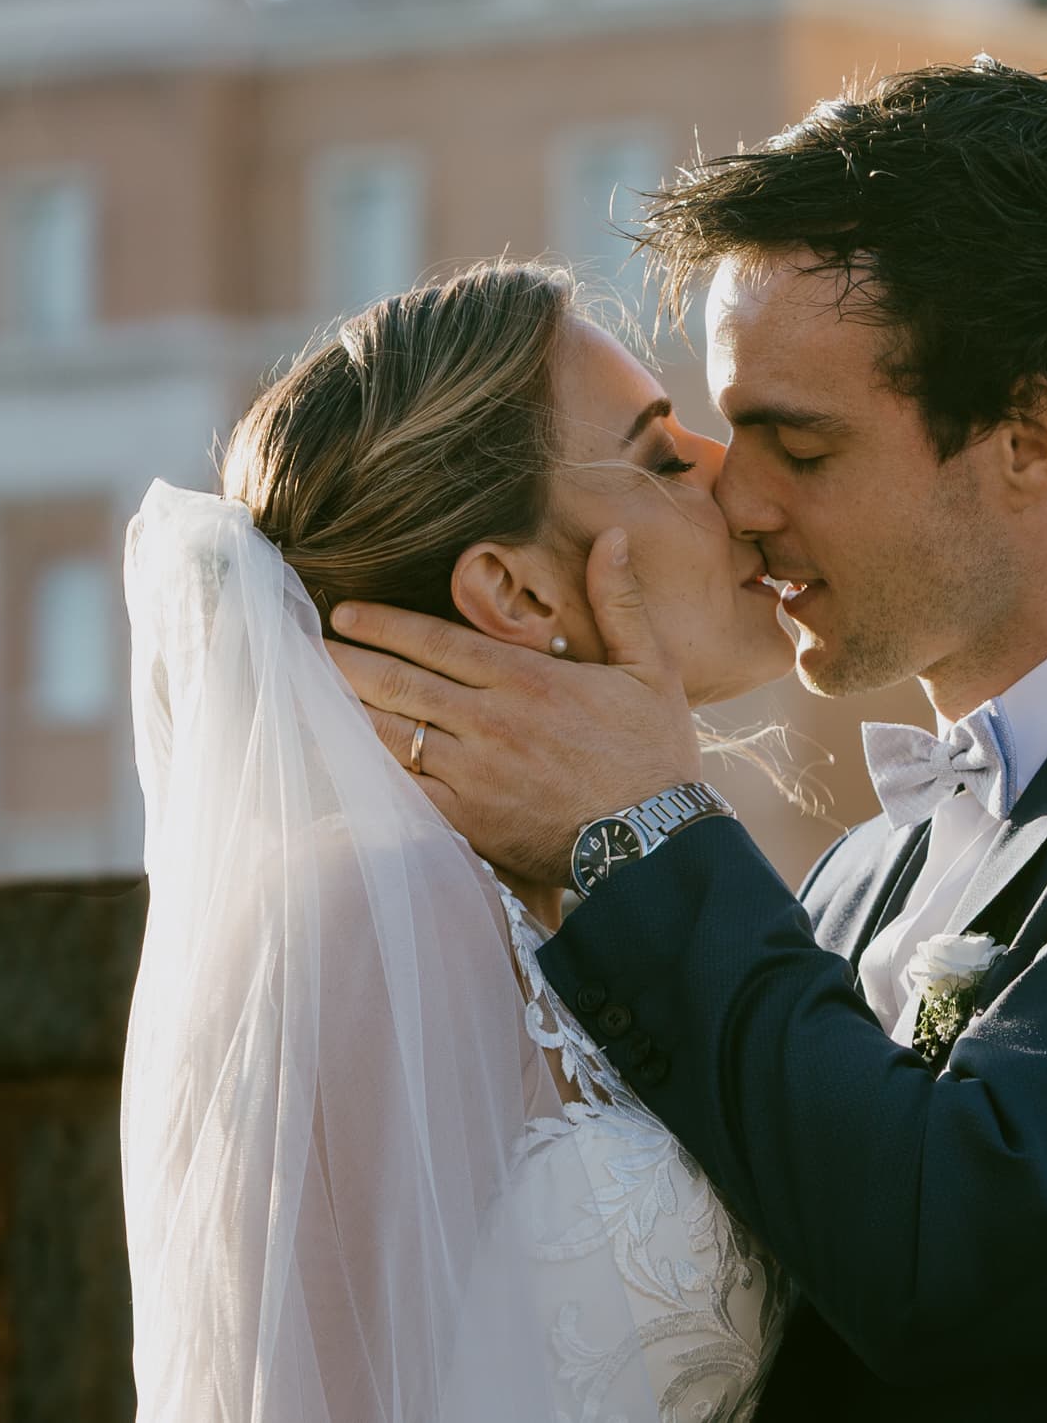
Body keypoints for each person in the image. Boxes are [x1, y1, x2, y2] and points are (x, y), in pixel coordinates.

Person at [324, 60, 1047, 1420]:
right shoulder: (854, 878)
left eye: (798, 448)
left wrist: (643, 828)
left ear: (1027, 437)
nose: (736, 500)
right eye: (718, 431)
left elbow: (955, 1248)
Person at [116, 262, 801, 1423]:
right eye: (662, 458)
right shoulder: (366, 915)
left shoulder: (600, 899)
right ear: (517, 595)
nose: (738, 477)